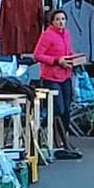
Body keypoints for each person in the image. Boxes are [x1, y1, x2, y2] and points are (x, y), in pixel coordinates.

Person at [33, 9, 75, 143]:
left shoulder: (67, 34)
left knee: (67, 109)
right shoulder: (47, 35)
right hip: (51, 77)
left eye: (63, 19)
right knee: (58, 108)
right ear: (52, 22)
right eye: (57, 19)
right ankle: (43, 130)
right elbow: (38, 55)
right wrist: (56, 60)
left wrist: (73, 59)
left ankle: (63, 139)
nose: (61, 22)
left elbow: (68, 51)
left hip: (66, 75)